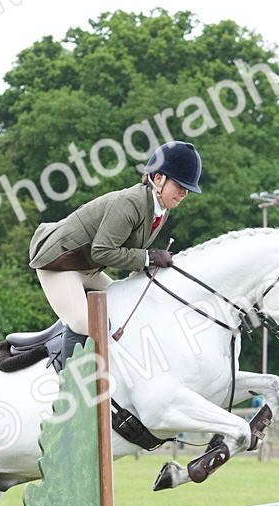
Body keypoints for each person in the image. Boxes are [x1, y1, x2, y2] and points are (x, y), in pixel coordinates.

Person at [29, 140, 202, 370]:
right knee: (84, 322)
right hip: (60, 262)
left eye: (187, 188)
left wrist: (150, 262)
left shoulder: (160, 210)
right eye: (179, 185)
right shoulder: (130, 202)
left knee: (123, 307)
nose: (184, 193)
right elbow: (101, 251)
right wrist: (148, 258)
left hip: (86, 268)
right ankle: (68, 387)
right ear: (158, 178)